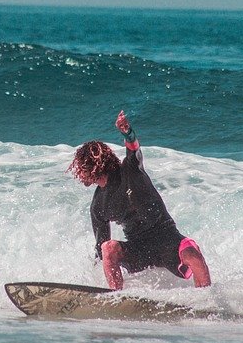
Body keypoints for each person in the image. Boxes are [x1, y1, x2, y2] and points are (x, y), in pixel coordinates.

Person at [68, 110, 211, 290]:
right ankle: (116, 297)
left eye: (81, 168)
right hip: (139, 249)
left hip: (168, 239)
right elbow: (101, 248)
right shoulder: (98, 205)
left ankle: (206, 299)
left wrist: (128, 133)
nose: (78, 173)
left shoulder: (130, 171)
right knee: (108, 248)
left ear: (94, 165)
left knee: (192, 254)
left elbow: (134, 150)